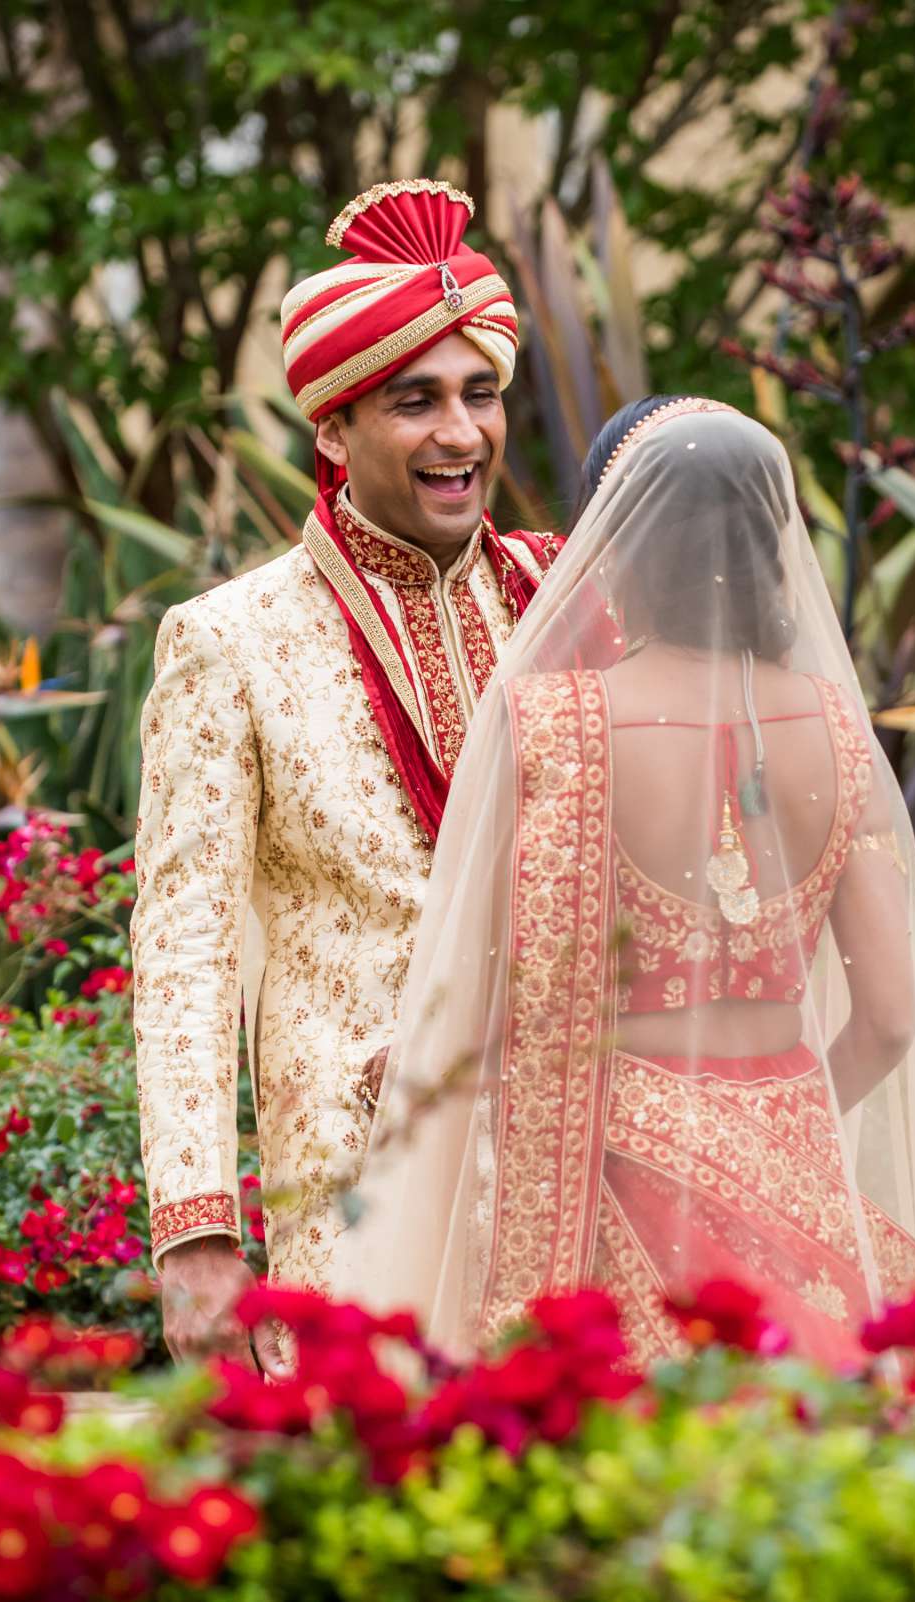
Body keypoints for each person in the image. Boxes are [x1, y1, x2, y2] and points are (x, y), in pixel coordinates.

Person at [330, 397, 915, 1364]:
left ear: (610, 550)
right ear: (774, 547)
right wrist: (779, 1139)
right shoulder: (840, 735)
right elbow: (891, 1024)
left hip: (613, 1184)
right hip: (800, 1177)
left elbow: (481, 996)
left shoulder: (553, 726)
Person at [132, 180, 563, 1372]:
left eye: (480, 395)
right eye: (414, 400)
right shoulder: (231, 639)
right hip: (355, 1180)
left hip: (567, 1164)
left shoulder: (562, 602)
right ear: (332, 427)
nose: (461, 433)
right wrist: (196, 1228)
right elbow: (186, 943)